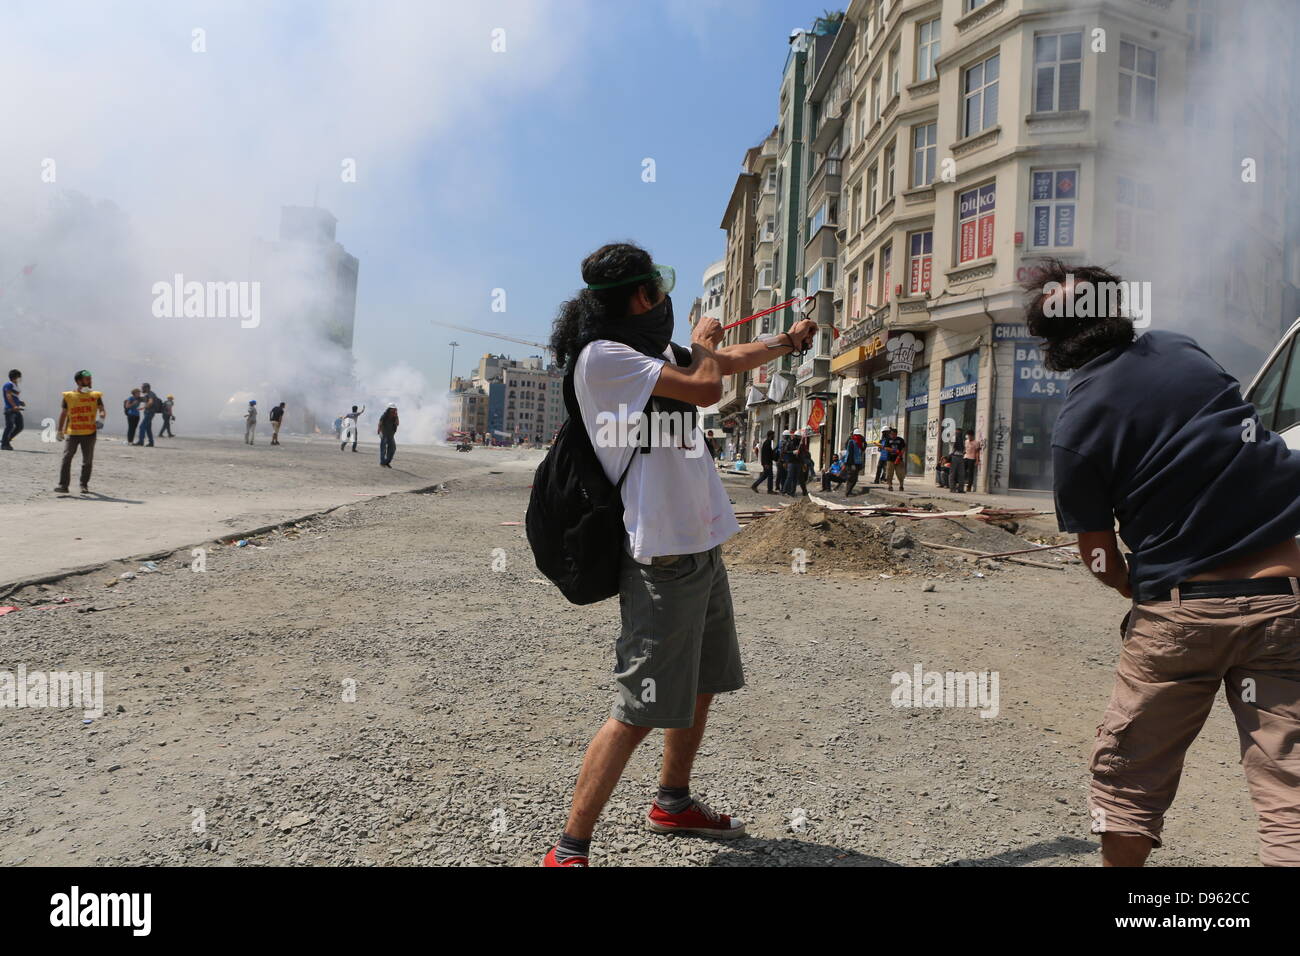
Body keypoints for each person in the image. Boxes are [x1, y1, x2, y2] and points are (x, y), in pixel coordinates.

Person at [542, 241, 816, 867]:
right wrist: (703, 340)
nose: (664, 296)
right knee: (640, 705)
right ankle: (569, 848)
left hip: (700, 541)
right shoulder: (603, 359)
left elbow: (724, 359)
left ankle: (672, 801)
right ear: (641, 297)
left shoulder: (645, 351)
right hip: (661, 553)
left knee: (702, 682)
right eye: (659, 285)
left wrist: (785, 343)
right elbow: (706, 385)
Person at [1025, 258, 1300, 867]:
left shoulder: (1076, 424)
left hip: (1180, 612)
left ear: (1051, 346)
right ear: (1119, 311)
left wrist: (1132, 584)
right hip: (1285, 599)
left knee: (1130, 779)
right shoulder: (1183, 349)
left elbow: (1097, 551)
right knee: (1290, 790)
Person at [55, 370, 105, 494]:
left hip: (89, 433)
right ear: (79, 381)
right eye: (87, 379)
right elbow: (63, 414)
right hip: (73, 433)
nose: (90, 381)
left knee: (87, 461)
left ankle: (83, 485)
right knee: (66, 458)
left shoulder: (95, 395)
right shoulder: (69, 396)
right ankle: (63, 485)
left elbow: (102, 410)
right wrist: (59, 430)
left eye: (90, 379)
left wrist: (101, 419)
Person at [2, 369, 25, 450]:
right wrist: (14, 406)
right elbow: (8, 395)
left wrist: (19, 402)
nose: (20, 379)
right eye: (19, 377)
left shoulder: (15, 385)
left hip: (16, 409)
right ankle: (4, 444)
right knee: (9, 426)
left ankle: (6, 440)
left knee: (20, 426)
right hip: (10, 409)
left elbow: (13, 396)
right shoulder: (9, 385)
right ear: (15, 377)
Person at [750, 429, 776, 494]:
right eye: (773, 435)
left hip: (767, 462)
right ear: (771, 435)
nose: (774, 437)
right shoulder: (767, 443)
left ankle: (756, 486)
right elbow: (766, 454)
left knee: (766, 475)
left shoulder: (767, 442)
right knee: (768, 476)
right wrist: (766, 463)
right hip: (767, 463)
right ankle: (768, 490)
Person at [843, 428, 865, 496]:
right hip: (851, 463)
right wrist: (852, 464)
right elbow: (850, 454)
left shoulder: (860, 442)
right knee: (851, 478)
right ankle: (848, 492)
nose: (858, 437)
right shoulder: (851, 442)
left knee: (854, 478)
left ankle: (849, 491)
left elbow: (863, 449)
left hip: (857, 463)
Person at [135, 382, 159, 447]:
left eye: (143, 388)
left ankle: (141, 441)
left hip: (149, 413)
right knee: (148, 428)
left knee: (142, 426)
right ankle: (151, 443)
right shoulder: (147, 395)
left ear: (147, 388)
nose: (142, 389)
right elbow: (142, 400)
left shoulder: (151, 394)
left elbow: (150, 402)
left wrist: (143, 407)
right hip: (148, 413)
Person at [948, 428, 966, 494]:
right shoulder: (953, 439)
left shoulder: (962, 440)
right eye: (957, 432)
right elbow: (950, 441)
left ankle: (961, 489)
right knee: (952, 474)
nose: (959, 434)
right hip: (954, 456)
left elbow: (964, 449)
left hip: (961, 457)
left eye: (960, 432)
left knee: (962, 474)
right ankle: (952, 488)